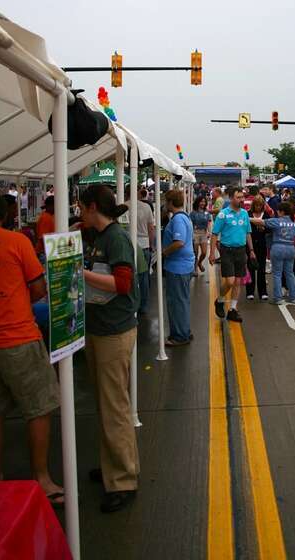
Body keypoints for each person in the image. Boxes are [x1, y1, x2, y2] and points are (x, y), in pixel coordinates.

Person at [0, 194, 62, 506]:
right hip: (19, 337)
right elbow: (37, 288)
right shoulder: (16, 241)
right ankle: (42, 479)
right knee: (38, 408)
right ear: (3, 214)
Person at [79, 185, 140, 513]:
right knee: (107, 404)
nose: (79, 214)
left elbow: (122, 284)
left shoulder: (115, 238)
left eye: (81, 209)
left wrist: (81, 273)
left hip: (113, 332)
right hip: (100, 328)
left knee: (114, 406)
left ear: (92, 208)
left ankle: (123, 479)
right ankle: (113, 466)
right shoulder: (98, 236)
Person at [209, 188, 256, 323]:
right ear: (231, 198)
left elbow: (248, 233)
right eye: (238, 197)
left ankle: (233, 310)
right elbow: (214, 234)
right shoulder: (223, 214)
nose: (241, 199)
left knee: (238, 281)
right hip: (227, 250)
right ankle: (220, 300)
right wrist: (212, 253)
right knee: (230, 281)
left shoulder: (244, 214)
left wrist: (251, 250)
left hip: (241, 250)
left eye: (242, 197)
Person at [162, 189, 195, 346]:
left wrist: (164, 252)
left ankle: (180, 335)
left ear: (170, 202)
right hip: (183, 264)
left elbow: (179, 242)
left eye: (166, 201)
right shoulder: (184, 217)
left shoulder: (178, 220)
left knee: (177, 302)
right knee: (182, 300)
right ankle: (184, 330)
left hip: (177, 266)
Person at [259, 201, 295, 305]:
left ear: (281, 212)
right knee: (290, 273)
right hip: (291, 248)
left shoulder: (276, 221)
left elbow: (261, 222)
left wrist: (248, 218)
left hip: (278, 247)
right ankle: (293, 296)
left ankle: (278, 298)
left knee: (277, 274)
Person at [124, 186, 155, 315]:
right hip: (144, 244)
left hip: (128, 244)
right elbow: (151, 228)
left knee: (129, 276)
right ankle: (143, 306)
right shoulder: (146, 207)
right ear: (137, 192)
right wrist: (152, 245)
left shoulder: (122, 206)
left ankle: (131, 304)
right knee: (144, 277)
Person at [246, 195, 269, 300]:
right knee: (250, 268)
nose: (258, 207)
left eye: (260, 205)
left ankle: (263, 292)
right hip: (250, 244)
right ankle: (250, 291)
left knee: (261, 269)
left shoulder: (266, 215)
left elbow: (270, 228)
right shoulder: (248, 214)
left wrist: (264, 229)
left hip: (262, 243)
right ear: (253, 205)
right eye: (256, 205)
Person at [190, 195, 212, 274]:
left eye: (204, 201)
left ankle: (199, 262)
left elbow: (209, 222)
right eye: (201, 201)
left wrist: (209, 231)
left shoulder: (207, 212)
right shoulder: (193, 213)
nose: (202, 203)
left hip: (203, 233)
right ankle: (195, 269)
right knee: (195, 253)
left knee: (204, 252)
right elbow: (190, 224)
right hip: (195, 233)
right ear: (197, 202)